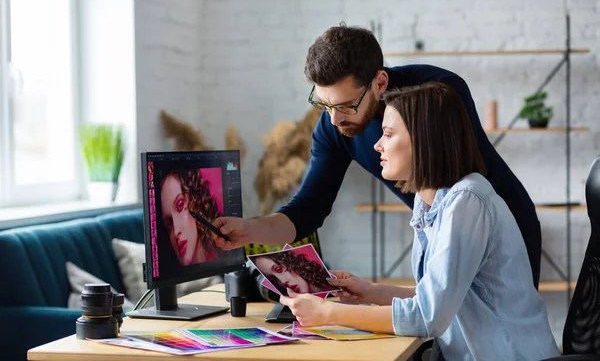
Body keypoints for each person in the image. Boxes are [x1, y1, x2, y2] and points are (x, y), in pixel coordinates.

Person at [213, 24, 542, 288]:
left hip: (505, 228)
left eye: (345, 105)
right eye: (325, 105)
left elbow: (456, 187)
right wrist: (250, 230)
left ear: (380, 82)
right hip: (442, 238)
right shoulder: (333, 129)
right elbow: (306, 210)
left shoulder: (437, 94)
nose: (335, 119)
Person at [279, 83, 560, 360]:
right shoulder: (431, 201)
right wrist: (370, 291)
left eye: (388, 135)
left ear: (425, 139)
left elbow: (428, 317)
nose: (377, 145)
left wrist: (328, 313)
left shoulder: (467, 200)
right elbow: (437, 296)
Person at [160, 169, 222, 266]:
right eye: (169, 224)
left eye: (180, 206)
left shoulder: (222, 260)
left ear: (194, 200)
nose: (176, 232)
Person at [251, 251, 337, 294]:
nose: (283, 281)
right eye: (273, 278)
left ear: (291, 263)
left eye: (278, 269)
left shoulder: (335, 293)